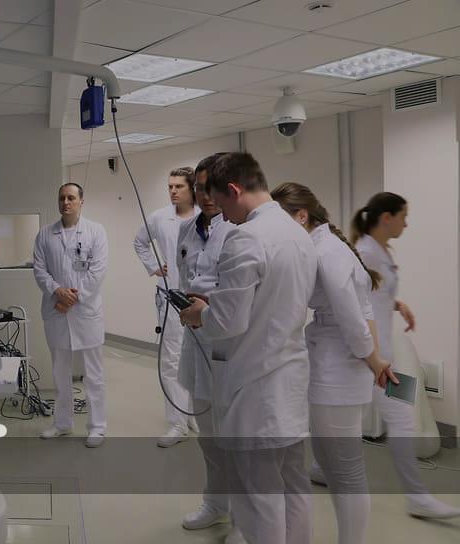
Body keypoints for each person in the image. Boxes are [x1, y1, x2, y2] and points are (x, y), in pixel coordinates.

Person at [179, 152, 316, 544]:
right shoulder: (296, 231)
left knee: (259, 498)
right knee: (293, 487)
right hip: (289, 380)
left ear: (234, 190)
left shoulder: (247, 236)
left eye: (221, 201)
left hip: (256, 386)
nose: (221, 211)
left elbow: (227, 322)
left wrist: (200, 313)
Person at [272, 182, 397, 544]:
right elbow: (364, 309)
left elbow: (353, 319)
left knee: (347, 472)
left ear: (302, 216)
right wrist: (375, 358)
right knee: (329, 465)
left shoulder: (328, 252)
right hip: (335, 363)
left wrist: (374, 359)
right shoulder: (323, 247)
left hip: (337, 369)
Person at [348, 192, 460, 519]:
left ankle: (417, 498)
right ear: (387, 218)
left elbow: (375, 293)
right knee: (395, 419)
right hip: (371, 359)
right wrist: (372, 358)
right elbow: (352, 302)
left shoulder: (380, 250)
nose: (406, 224)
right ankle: (418, 498)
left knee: (393, 418)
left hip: (385, 357)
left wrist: (398, 304)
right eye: (403, 217)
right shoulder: (365, 253)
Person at [176, 154, 239, 537]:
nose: (205, 195)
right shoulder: (187, 230)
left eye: (211, 188)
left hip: (227, 345)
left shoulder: (238, 230)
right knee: (208, 437)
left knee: (233, 436)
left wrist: (207, 303)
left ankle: (244, 517)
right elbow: (186, 278)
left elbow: (241, 293)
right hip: (195, 340)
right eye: (199, 188)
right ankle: (216, 504)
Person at [33, 182, 109, 448]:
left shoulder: (96, 231)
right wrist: (57, 292)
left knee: (93, 375)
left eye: (71, 198)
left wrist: (71, 299)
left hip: (85, 312)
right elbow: (39, 270)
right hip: (56, 311)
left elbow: (97, 271)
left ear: (81, 201)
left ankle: (97, 427)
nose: (65, 202)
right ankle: (63, 423)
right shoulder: (45, 234)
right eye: (62, 198)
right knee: (59, 372)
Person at [133, 167, 200, 447]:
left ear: (192, 188)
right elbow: (140, 242)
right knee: (171, 362)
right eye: (170, 186)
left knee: (200, 360)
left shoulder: (206, 217)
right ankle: (177, 423)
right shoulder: (159, 217)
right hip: (172, 299)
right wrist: (154, 267)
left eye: (178, 186)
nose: (172, 191)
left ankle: (193, 414)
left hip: (201, 300)